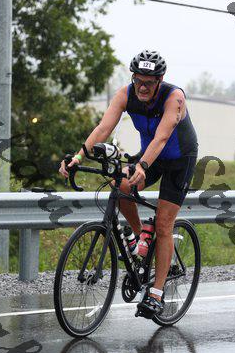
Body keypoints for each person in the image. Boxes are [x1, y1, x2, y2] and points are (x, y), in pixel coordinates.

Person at [59, 49, 198, 318]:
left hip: (179, 160)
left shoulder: (175, 97)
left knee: (164, 225)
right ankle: (138, 239)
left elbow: (162, 137)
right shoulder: (125, 94)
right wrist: (77, 157)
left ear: (160, 80)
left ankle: (156, 293)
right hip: (150, 155)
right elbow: (103, 128)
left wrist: (142, 166)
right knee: (120, 184)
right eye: (138, 81)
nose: (142, 87)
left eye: (149, 83)